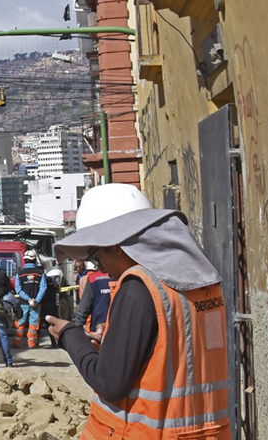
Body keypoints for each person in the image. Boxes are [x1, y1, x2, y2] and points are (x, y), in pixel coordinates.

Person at [45, 183, 230, 440]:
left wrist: (70, 335)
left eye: (98, 257)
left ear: (117, 244)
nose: (103, 268)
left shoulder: (138, 286)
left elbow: (110, 382)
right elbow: (173, 356)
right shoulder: (204, 284)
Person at [13, 249, 47, 348]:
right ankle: (31, 344)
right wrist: (35, 300)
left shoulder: (20, 274)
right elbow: (43, 288)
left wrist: (28, 299)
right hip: (36, 304)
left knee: (20, 323)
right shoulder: (40, 274)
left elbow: (18, 289)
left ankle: (16, 343)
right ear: (35, 260)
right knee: (33, 324)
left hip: (23, 303)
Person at [72, 261, 112, 344]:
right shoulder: (120, 276)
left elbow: (84, 306)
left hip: (98, 329)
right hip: (119, 326)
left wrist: (77, 328)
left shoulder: (93, 278)